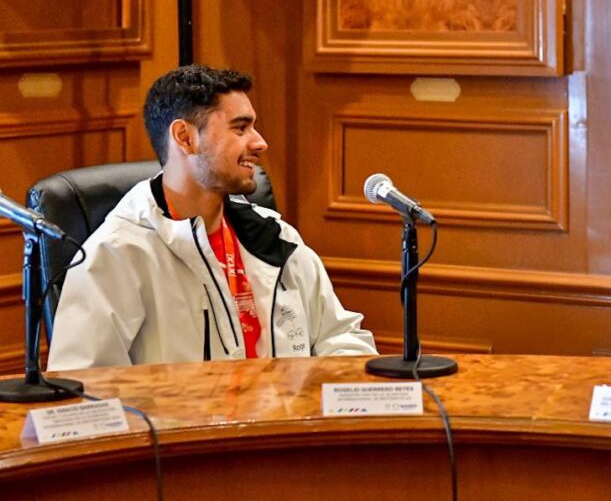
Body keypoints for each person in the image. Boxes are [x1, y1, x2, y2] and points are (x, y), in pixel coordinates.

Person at [48, 65, 377, 370]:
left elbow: (342, 340)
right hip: (179, 433)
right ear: (185, 137)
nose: (260, 142)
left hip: (284, 427)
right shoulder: (115, 254)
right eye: (240, 128)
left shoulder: (277, 237)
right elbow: (85, 388)